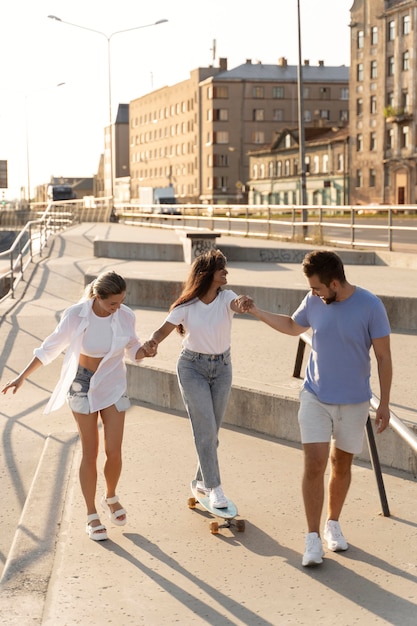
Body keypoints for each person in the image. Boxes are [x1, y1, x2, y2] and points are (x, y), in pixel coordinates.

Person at [242, 250, 392, 566]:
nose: (313, 293)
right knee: (315, 463)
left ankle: (332, 524)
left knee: (341, 464)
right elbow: (292, 326)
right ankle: (312, 539)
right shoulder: (314, 302)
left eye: (317, 288)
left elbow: (383, 357)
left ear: (334, 282)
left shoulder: (370, 306)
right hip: (315, 396)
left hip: (354, 401)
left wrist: (386, 403)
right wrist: (256, 311)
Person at [2, 270, 156, 541]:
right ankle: (91, 513)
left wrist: (145, 350)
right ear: (98, 297)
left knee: (114, 450)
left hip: (112, 382)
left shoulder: (125, 315)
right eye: (112, 303)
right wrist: (21, 377)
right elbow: (49, 347)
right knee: (90, 450)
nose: (117, 308)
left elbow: (132, 347)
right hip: (81, 384)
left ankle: (111, 496)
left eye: (121, 302)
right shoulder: (76, 315)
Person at [146, 249, 246, 509]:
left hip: (222, 368)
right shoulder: (186, 306)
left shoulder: (228, 298)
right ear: (206, 274)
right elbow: (163, 329)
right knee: (204, 429)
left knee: (212, 433)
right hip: (192, 369)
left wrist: (244, 303)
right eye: (221, 268)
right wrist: (153, 342)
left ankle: (202, 480)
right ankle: (215, 488)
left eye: (226, 267)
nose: (226, 271)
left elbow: (237, 305)